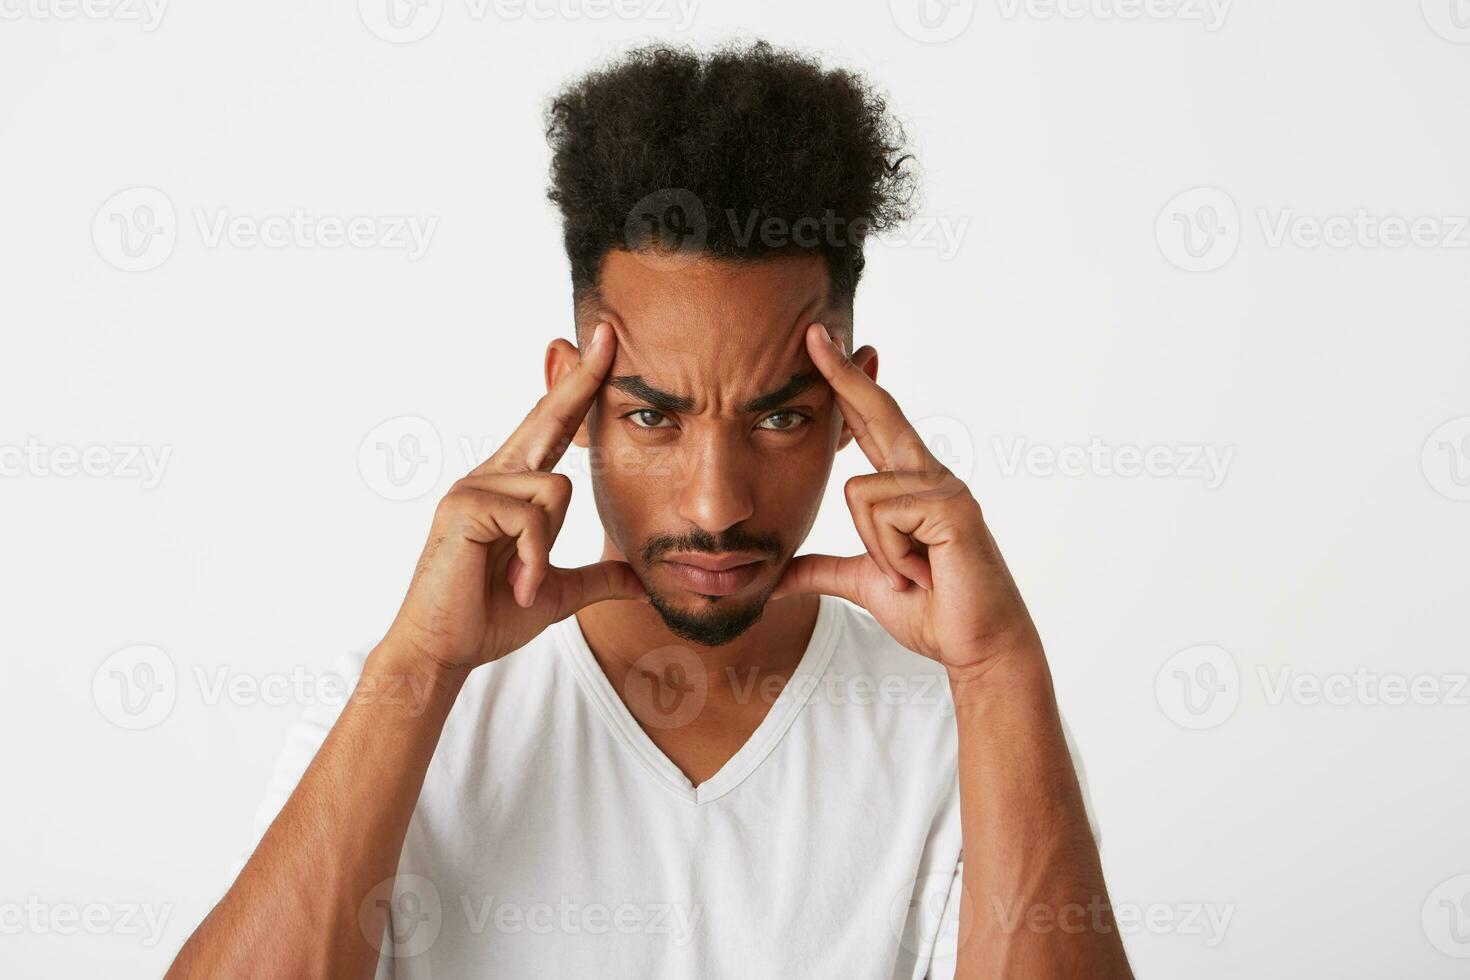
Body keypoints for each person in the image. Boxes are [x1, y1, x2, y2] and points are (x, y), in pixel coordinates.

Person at [166, 40, 1133, 979]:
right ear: (573, 401)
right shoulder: (401, 704)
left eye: (780, 416)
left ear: (850, 410)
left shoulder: (965, 722)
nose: (715, 503)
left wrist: (1000, 669)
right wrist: (417, 666)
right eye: (652, 416)